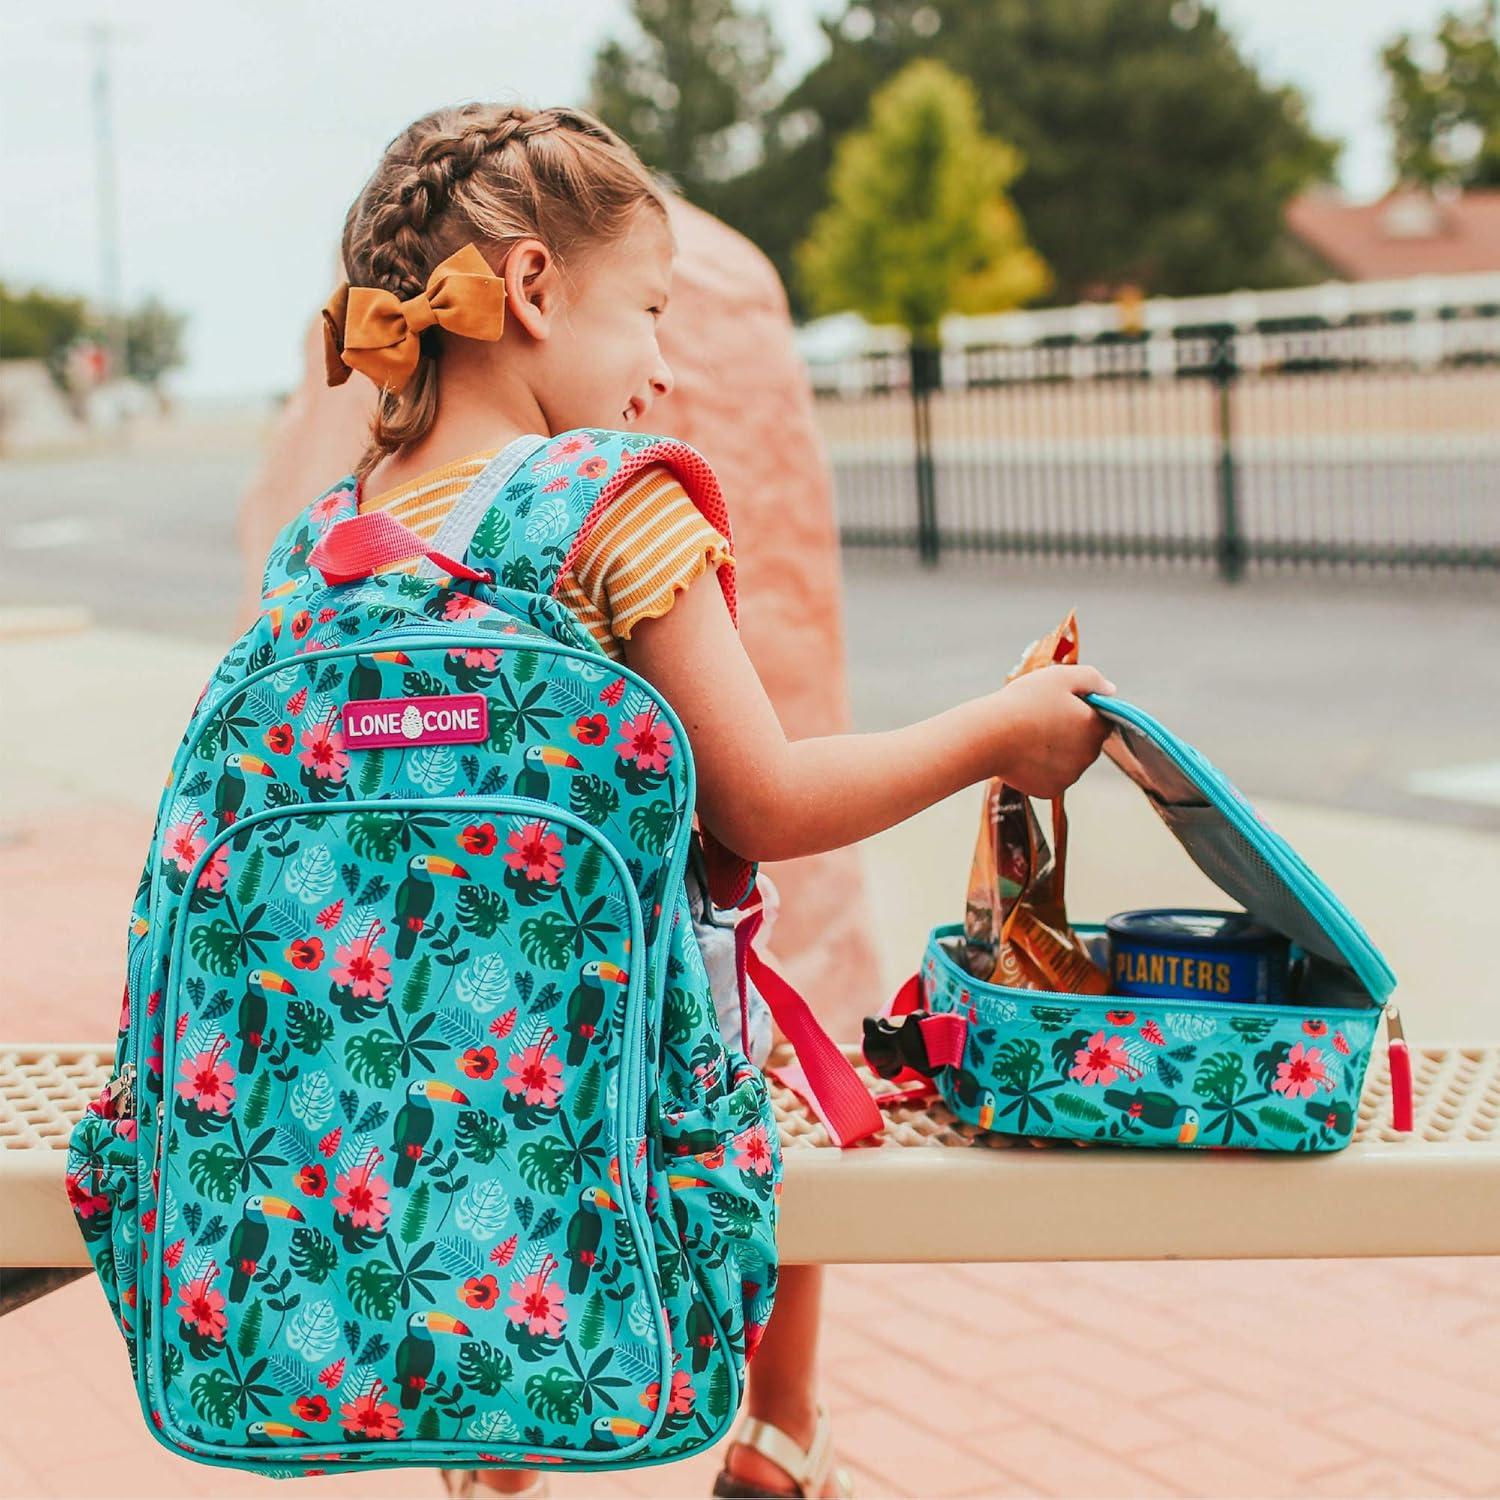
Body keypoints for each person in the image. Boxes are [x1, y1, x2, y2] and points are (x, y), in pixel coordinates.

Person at [298, 101, 1115, 1499]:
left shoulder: (333, 539)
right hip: (609, 1098)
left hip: (395, 1106)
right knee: (776, 1033)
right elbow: (768, 802)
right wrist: (1002, 733)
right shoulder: (611, 508)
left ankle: (495, 1451)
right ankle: (783, 1431)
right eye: (649, 312)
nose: (663, 368)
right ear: (534, 288)